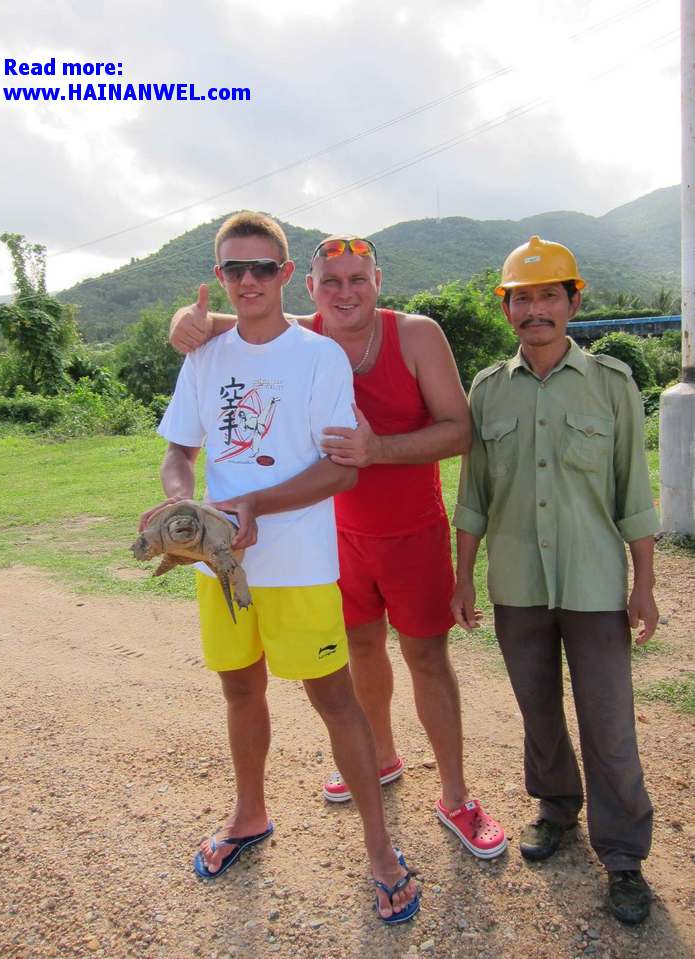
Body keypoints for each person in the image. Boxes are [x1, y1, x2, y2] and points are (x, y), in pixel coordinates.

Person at [170, 233, 507, 859]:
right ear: (310, 287)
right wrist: (185, 323)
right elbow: (238, 311)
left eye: (358, 279)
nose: (345, 292)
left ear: (378, 279)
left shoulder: (414, 335)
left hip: (411, 529)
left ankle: (456, 794)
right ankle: (379, 757)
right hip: (334, 532)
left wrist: (380, 449)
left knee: (427, 659)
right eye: (332, 282)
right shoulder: (308, 331)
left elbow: (460, 431)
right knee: (358, 649)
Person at [143, 212, 419, 923]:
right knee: (240, 691)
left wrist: (255, 505)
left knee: (334, 700)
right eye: (233, 269)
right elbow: (179, 450)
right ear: (220, 276)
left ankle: (381, 850)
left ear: (285, 275)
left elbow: (340, 470)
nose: (247, 281)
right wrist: (187, 509)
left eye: (261, 268)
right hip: (218, 566)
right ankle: (248, 814)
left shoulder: (317, 357)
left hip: (296, 564)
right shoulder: (204, 355)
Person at [451, 235, 660, 924]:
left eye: (547, 295)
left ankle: (624, 856)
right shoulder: (486, 390)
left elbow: (633, 489)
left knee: (607, 721)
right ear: (506, 308)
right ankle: (555, 807)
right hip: (515, 582)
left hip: (595, 584)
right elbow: (474, 492)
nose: (534, 309)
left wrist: (643, 583)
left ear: (573, 301)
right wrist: (463, 576)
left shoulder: (612, 384)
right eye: (521, 297)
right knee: (537, 708)